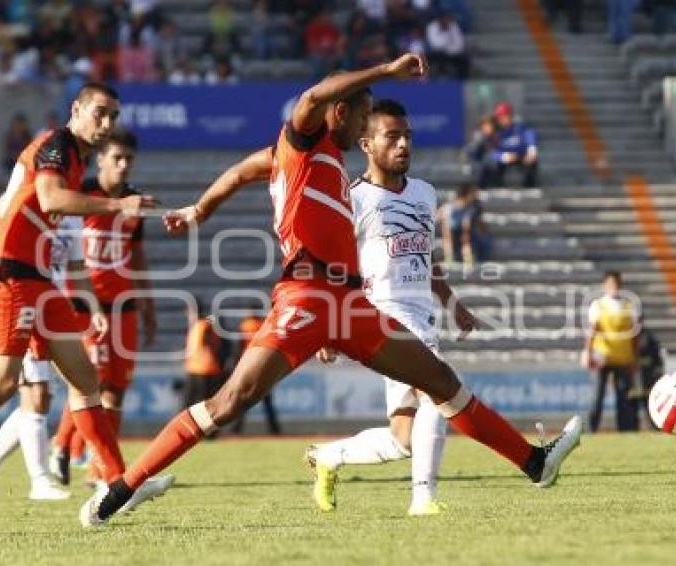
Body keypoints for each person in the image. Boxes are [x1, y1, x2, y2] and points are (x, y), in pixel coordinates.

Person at [81, 54, 581, 527]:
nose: (363, 130)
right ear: (338, 112)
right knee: (230, 401)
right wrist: (386, 69)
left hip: (350, 305)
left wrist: (201, 209)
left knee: (441, 382)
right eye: (360, 118)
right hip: (307, 294)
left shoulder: (318, 161)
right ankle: (122, 489)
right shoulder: (301, 140)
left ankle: (535, 463)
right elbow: (314, 94)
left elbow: (238, 172)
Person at [0, 83, 170, 519]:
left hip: (40, 280)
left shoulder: (74, 160)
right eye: (99, 113)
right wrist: (119, 206)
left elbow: (7, 202)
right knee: (2, 384)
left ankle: (116, 487)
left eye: (113, 117)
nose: (106, 124)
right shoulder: (57, 145)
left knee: (85, 381)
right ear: (76, 110)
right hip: (10, 275)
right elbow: (48, 199)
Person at [305, 99, 466, 515]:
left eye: (407, 136)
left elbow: (427, 256)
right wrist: (328, 326)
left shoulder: (425, 194)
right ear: (366, 144)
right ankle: (424, 500)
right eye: (392, 137)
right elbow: (332, 264)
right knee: (439, 391)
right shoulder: (353, 199)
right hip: (382, 315)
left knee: (402, 439)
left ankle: (329, 457)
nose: (403, 144)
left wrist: (452, 302)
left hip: (422, 314)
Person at [0, 214, 104, 501]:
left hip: (53, 311)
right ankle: (39, 480)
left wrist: (93, 308)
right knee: (36, 395)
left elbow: (76, 269)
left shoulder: (73, 220)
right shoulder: (17, 213)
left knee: (43, 398)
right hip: (19, 304)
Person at [49, 128, 157, 486]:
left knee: (117, 389)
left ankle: (97, 469)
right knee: (88, 380)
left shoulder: (136, 203)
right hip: (84, 304)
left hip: (124, 305)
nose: (124, 165)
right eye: (117, 158)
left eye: (129, 159)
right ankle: (64, 445)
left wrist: (147, 303)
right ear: (101, 160)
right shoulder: (83, 197)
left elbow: (137, 255)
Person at [582, 271, 640, 432]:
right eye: (610, 284)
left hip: (623, 357)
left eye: (616, 284)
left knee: (623, 398)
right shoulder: (598, 305)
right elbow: (592, 330)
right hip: (603, 356)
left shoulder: (629, 306)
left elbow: (635, 335)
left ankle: (625, 431)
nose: (613, 287)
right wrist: (587, 352)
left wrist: (635, 358)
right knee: (597, 396)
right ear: (605, 286)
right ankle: (590, 431)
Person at [231, 312, 282, 435]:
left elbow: (239, 346)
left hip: (249, 363)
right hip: (264, 364)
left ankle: (237, 428)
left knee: (243, 398)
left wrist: (236, 365)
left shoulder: (245, 325)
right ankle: (274, 429)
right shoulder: (264, 324)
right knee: (267, 400)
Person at [179, 298, 230, 412]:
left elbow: (212, 340)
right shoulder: (200, 324)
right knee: (197, 405)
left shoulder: (203, 324)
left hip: (204, 371)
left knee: (195, 404)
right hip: (199, 370)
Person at [480, 102, 539, 188]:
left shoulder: (520, 127)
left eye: (504, 116)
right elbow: (491, 151)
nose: (502, 120)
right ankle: (496, 187)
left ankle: (529, 187)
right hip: (505, 157)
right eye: (499, 117)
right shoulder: (495, 131)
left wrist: (531, 150)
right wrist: (503, 156)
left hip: (521, 156)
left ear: (510, 116)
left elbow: (530, 134)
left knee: (531, 162)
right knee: (491, 164)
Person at [439, 183, 490, 267]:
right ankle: (449, 258)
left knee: (466, 241)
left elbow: (467, 221)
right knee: (448, 236)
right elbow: (443, 214)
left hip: (462, 228)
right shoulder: (452, 205)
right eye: (473, 192)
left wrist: (465, 232)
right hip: (451, 227)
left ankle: (468, 260)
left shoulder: (473, 206)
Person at [635, 314, 664, 430]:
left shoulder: (649, 337)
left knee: (650, 405)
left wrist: (657, 374)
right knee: (630, 406)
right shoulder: (626, 336)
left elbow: (657, 359)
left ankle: (655, 428)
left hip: (647, 377)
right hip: (633, 377)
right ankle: (630, 428)